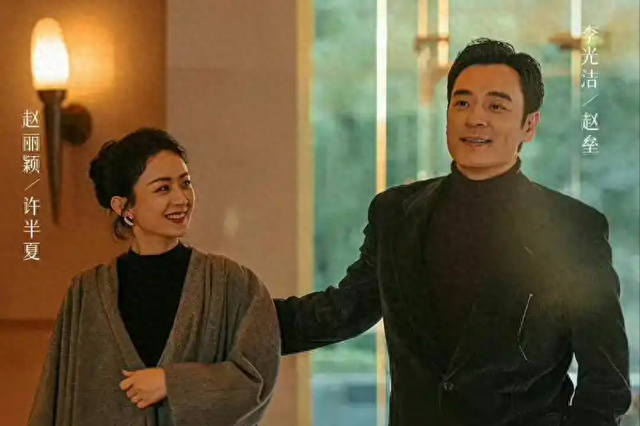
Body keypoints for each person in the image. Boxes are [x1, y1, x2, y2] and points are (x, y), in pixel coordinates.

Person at [274, 38, 632, 426]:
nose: (475, 118)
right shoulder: (395, 214)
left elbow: (606, 382)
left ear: (529, 125)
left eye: (496, 106)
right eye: (462, 103)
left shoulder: (573, 229)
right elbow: (341, 313)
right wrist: (233, 316)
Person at [28, 128, 280, 426]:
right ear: (124, 206)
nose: (181, 199)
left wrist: (174, 383)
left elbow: (255, 376)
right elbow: (54, 399)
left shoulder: (232, 283)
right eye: (163, 189)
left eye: (185, 183)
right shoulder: (86, 293)